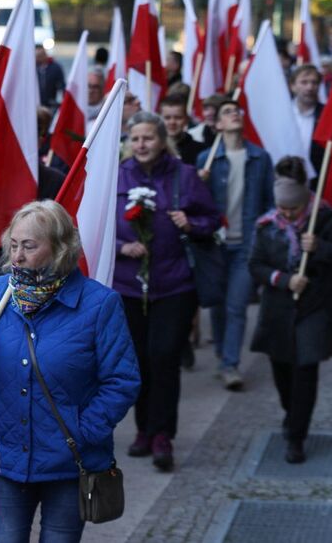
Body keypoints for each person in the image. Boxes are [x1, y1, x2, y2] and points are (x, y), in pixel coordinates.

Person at [0, 201, 140, 542]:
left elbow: (122, 380)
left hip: (69, 462)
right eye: (13, 245)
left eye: (29, 246)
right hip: (5, 459)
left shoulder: (99, 304)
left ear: (60, 249)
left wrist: (85, 430)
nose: (17, 257)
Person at [115, 112, 221, 471]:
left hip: (175, 284)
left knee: (164, 356)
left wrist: (191, 223)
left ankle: (163, 434)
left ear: (162, 140)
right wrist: (119, 246)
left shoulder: (183, 176)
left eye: (149, 138)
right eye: (136, 138)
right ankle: (143, 429)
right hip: (129, 287)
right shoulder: (117, 175)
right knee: (139, 361)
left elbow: (212, 220)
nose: (142, 144)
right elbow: (90, 224)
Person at [248, 156, 332, 463]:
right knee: (282, 370)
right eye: (283, 209)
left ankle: (297, 436)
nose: (288, 214)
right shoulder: (266, 226)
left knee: (306, 369)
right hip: (278, 308)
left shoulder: (324, 218)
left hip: (315, 306)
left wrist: (320, 248)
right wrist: (285, 280)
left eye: (294, 209)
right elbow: (256, 265)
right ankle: (292, 411)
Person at [196, 99, 274, 390]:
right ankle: (221, 353)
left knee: (237, 305)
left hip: (246, 245)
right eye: (227, 112)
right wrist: (199, 183)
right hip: (215, 245)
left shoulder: (260, 158)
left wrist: (263, 232)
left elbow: (269, 202)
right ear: (217, 124)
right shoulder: (206, 159)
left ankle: (231, 364)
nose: (235, 115)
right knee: (217, 305)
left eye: (237, 111)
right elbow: (194, 205)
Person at [289, 64, 325, 174]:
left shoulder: (325, 115)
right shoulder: (282, 112)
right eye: (304, 82)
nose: (309, 87)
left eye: (314, 83)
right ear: (293, 86)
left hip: (315, 181)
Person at [160, 92, 206, 166]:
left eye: (178, 117)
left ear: (186, 119)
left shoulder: (201, 151)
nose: (172, 122)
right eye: (167, 118)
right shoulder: (154, 150)